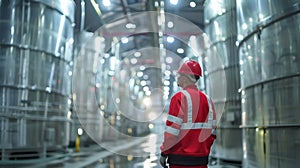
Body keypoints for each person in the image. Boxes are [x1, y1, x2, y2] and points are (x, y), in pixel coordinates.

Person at [160, 60, 217, 168]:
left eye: (179, 74)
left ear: (185, 77)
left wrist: (164, 153)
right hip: (201, 162)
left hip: (179, 162)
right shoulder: (208, 101)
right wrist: (201, 150)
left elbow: (171, 133)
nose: (177, 77)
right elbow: (213, 133)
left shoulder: (178, 98)